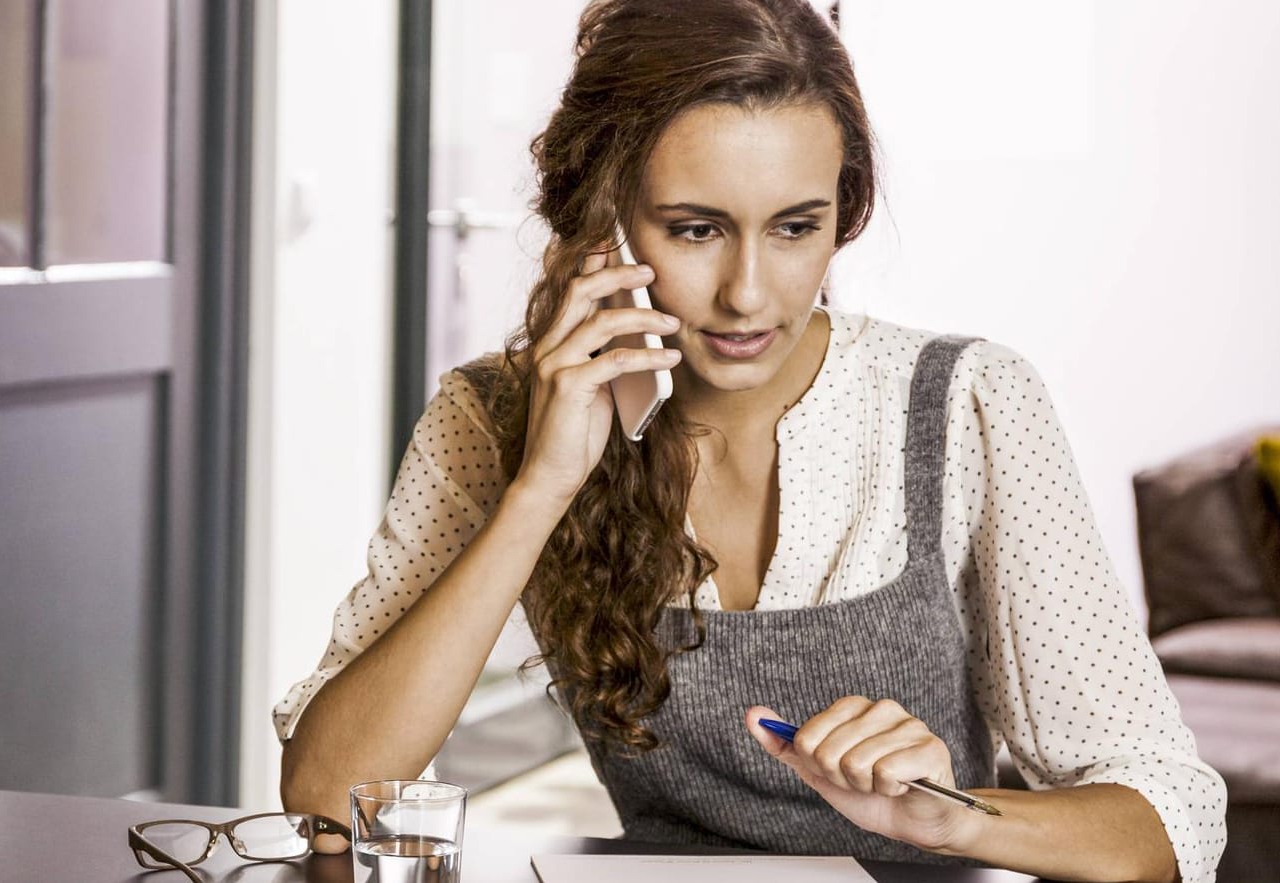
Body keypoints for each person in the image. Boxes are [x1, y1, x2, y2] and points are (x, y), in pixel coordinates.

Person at [275, 1, 1227, 880]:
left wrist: (960, 819)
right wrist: (544, 483)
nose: (748, 293)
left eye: (794, 227)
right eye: (694, 229)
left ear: (842, 214)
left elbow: (1169, 813)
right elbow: (328, 796)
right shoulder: (494, 414)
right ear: (600, 219)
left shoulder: (964, 401)